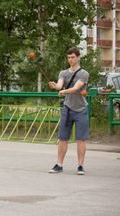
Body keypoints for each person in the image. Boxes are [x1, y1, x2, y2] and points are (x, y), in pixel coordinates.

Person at [48, 47, 89, 175]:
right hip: (67, 108)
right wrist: (56, 86)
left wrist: (63, 91)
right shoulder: (63, 73)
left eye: (73, 57)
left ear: (78, 57)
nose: (70, 60)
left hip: (81, 109)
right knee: (63, 138)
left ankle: (80, 166)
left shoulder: (84, 73)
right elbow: (60, 85)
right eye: (69, 57)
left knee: (80, 139)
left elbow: (77, 88)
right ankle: (59, 164)